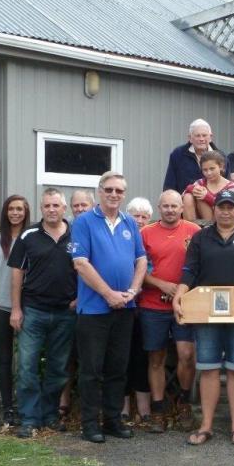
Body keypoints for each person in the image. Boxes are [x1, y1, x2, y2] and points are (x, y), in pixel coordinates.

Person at [172, 189, 234, 446]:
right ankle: (206, 426)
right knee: (208, 368)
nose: (226, 212)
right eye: (221, 207)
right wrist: (179, 296)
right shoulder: (200, 237)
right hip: (206, 311)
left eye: (230, 207)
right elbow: (189, 271)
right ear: (214, 209)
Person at [71, 171, 147, 443]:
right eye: (109, 189)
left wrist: (133, 291)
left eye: (119, 190)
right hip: (94, 310)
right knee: (91, 370)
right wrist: (108, 294)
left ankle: (113, 421)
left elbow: (141, 260)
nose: (114, 194)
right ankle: (90, 424)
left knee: (117, 368)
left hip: (124, 309)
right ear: (100, 191)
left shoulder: (130, 223)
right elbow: (80, 263)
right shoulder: (84, 222)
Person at [8, 188, 77, 438]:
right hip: (33, 311)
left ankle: (50, 415)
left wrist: (80, 298)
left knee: (58, 368)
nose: (51, 210)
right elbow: (17, 273)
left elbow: (86, 268)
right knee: (27, 367)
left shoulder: (77, 235)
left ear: (64, 208)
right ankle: (29, 418)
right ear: (41, 208)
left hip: (65, 312)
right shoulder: (28, 236)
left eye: (56, 205)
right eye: (47, 206)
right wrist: (16, 308)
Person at [140, 190, 200, 433]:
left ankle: (184, 404)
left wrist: (185, 291)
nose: (170, 210)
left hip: (185, 305)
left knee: (187, 355)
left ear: (182, 208)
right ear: (159, 208)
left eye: (174, 206)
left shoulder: (194, 232)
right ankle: (158, 409)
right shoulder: (145, 233)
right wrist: (161, 284)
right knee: (156, 358)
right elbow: (136, 270)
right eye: (165, 206)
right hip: (153, 305)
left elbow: (202, 266)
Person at [0, 194, 30, 427]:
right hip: (1, 306)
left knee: (27, 358)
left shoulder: (31, 238)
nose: (15, 213)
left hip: (28, 306)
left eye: (19, 209)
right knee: (4, 357)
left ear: (26, 212)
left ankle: (26, 405)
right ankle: (7, 407)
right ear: (5, 212)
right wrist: (4, 296)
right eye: (11, 209)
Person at [58, 188, 94, 424]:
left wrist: (82, 297)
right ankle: (63, 403)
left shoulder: (97, 228)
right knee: (65, 358)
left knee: (89, 359)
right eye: (76, 205)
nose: (80, 209)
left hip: (90, 302)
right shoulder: (65, 231)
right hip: (65, 305)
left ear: (92, 206)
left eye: (84, 205)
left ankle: (87, 408)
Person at [123, 196, 155, 425]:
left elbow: (152, 269)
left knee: (142, 356)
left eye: (144, 217)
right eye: (136, 216)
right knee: (121, 355)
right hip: (122, 304)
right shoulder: (121, 236)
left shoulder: (150, 239)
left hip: (146, 305)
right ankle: (123, 405)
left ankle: (144, 407)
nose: (140, 220)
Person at [163, 119, 221, 194]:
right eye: (197, 136)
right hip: (185, 198)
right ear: (190, 138)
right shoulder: (178, 155)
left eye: (204, 135)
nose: (201, 139)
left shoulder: (221, 157)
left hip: (213, 199)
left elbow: (226, 185)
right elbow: (169, 186)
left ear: (210, 137)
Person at [182, 151, 234, 222]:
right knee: (188, 196)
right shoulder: (201, 182)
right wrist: (192, 189)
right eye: (205, 170)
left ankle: (209, 226)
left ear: (221, 167)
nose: (209, 173)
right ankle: (190, 226)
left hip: (220, 220)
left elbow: (227, 206)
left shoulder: (230, 185)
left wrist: (207, 197)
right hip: (199, 219)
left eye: (212, 169)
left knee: (202, 195)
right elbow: (183, 194)